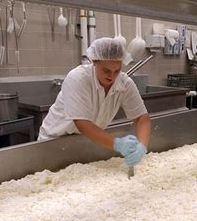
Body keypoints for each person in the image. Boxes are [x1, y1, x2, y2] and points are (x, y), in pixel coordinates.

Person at [38, 37, 151, 167]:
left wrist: (141, 147)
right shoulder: (78, 78)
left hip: (87, 142)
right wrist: (117, 144)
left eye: (117, 70)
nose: (112, 76)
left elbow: (142, 118)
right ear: (94, 62)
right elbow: (82, 123)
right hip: (54, 143)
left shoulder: (124, 83)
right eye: (106, 70)